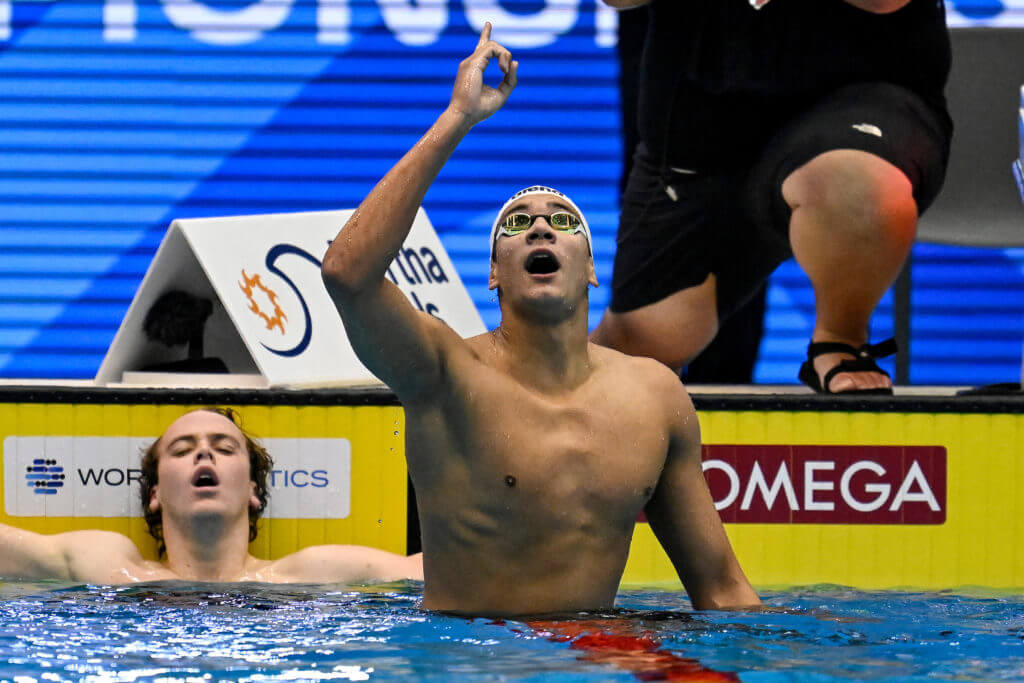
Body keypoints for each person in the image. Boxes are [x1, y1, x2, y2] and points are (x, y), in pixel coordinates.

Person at [320, 24, 760, 616]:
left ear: (592, 272)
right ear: (496, 274)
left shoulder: (654, 395)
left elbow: (721, 589)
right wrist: (457, 118)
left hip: (587, 657)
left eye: (563, 220)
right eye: (517, 224)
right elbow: (347, 274)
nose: (542, 227)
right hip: (465, 657)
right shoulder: (444, 372)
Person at [592, 0, 953, 394]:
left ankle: (840, 338)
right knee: (635, 350)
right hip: (702, 130)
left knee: (854, 191)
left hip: (862, 98)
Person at [0, 407, 423, 584]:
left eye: (224, 448)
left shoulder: (304, 573)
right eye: (182, 450)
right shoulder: (110, 565)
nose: (203, 452)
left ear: (253, 492)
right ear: (155, 494)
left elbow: (432, 571)